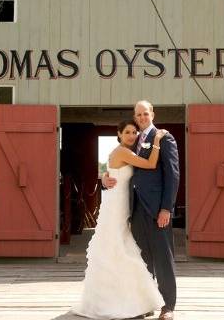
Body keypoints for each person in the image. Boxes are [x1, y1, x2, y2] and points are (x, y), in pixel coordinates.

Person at [72, 119, 167, 319]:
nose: (132, 136)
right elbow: (150, 164)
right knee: (118, 252)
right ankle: (120, 303)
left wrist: (105, 177)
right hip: (116, 207)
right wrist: (157, 139)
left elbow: (111, 173)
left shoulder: (118, 152)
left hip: (120, 204)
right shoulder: (123, 151)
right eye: (128, 132)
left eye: (134, 132)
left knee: (122, 251)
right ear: (119, 134)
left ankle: (130, 301)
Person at [103, 100, 179, 320]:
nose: (142, 117)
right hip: (135, 209)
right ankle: (147, 302)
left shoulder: (165, 139)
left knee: (163, 257)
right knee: (142, 259)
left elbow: (173, 176)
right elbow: (119, 167)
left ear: (152, 114)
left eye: (146, 113)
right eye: (138, 115)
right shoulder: (132, 140)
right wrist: (106, 178)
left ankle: (168, 306)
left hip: (157, 210)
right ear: (135, 117)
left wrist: (166, 208)